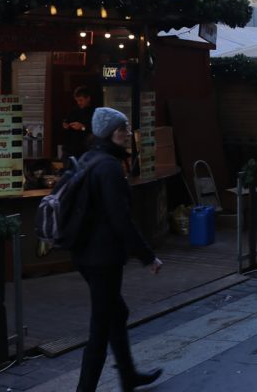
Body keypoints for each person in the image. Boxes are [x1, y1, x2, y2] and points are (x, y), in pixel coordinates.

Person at [71, 107, 163, 392]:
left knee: (116, 312)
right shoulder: (109, 167)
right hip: (103, 257)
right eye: (122, 128)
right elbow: (120, 220)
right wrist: (148, 256)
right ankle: (86, 388)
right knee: (100, 326)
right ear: (110, 132)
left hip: (85, 253)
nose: (126, 133)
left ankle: (128, 374)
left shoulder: (90, 159)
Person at [61, 86, 95, 158]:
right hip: (72, 150)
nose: (79, 103)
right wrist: (66, 126)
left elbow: (95, 132)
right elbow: (67, 123)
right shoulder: (74, 111)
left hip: (87, 151)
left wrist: (82, 127)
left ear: (88, 99)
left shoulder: (95, 113)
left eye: (81, 100)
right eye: (77, 100)